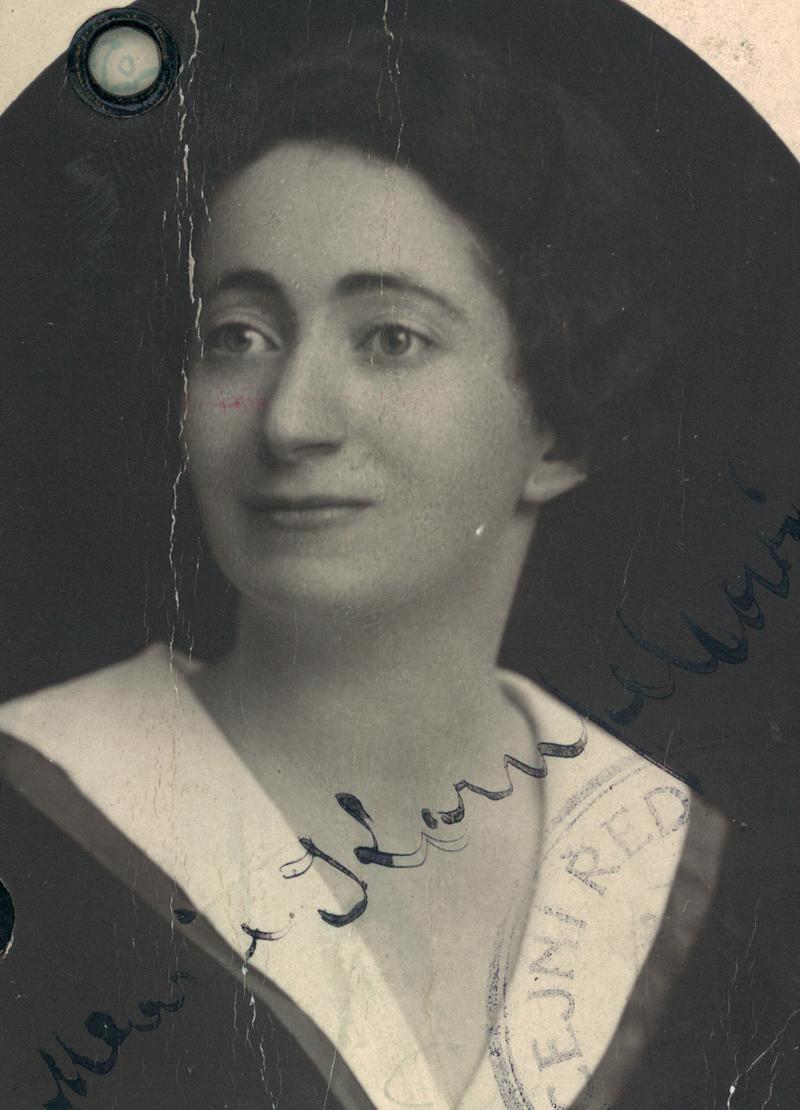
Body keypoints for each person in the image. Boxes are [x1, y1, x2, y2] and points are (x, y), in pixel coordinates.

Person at [0, 28, 728, 1110]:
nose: (289, 420)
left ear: (560, 428)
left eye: (389, 339)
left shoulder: (678, 867)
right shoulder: (29, 812)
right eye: (238, 335)